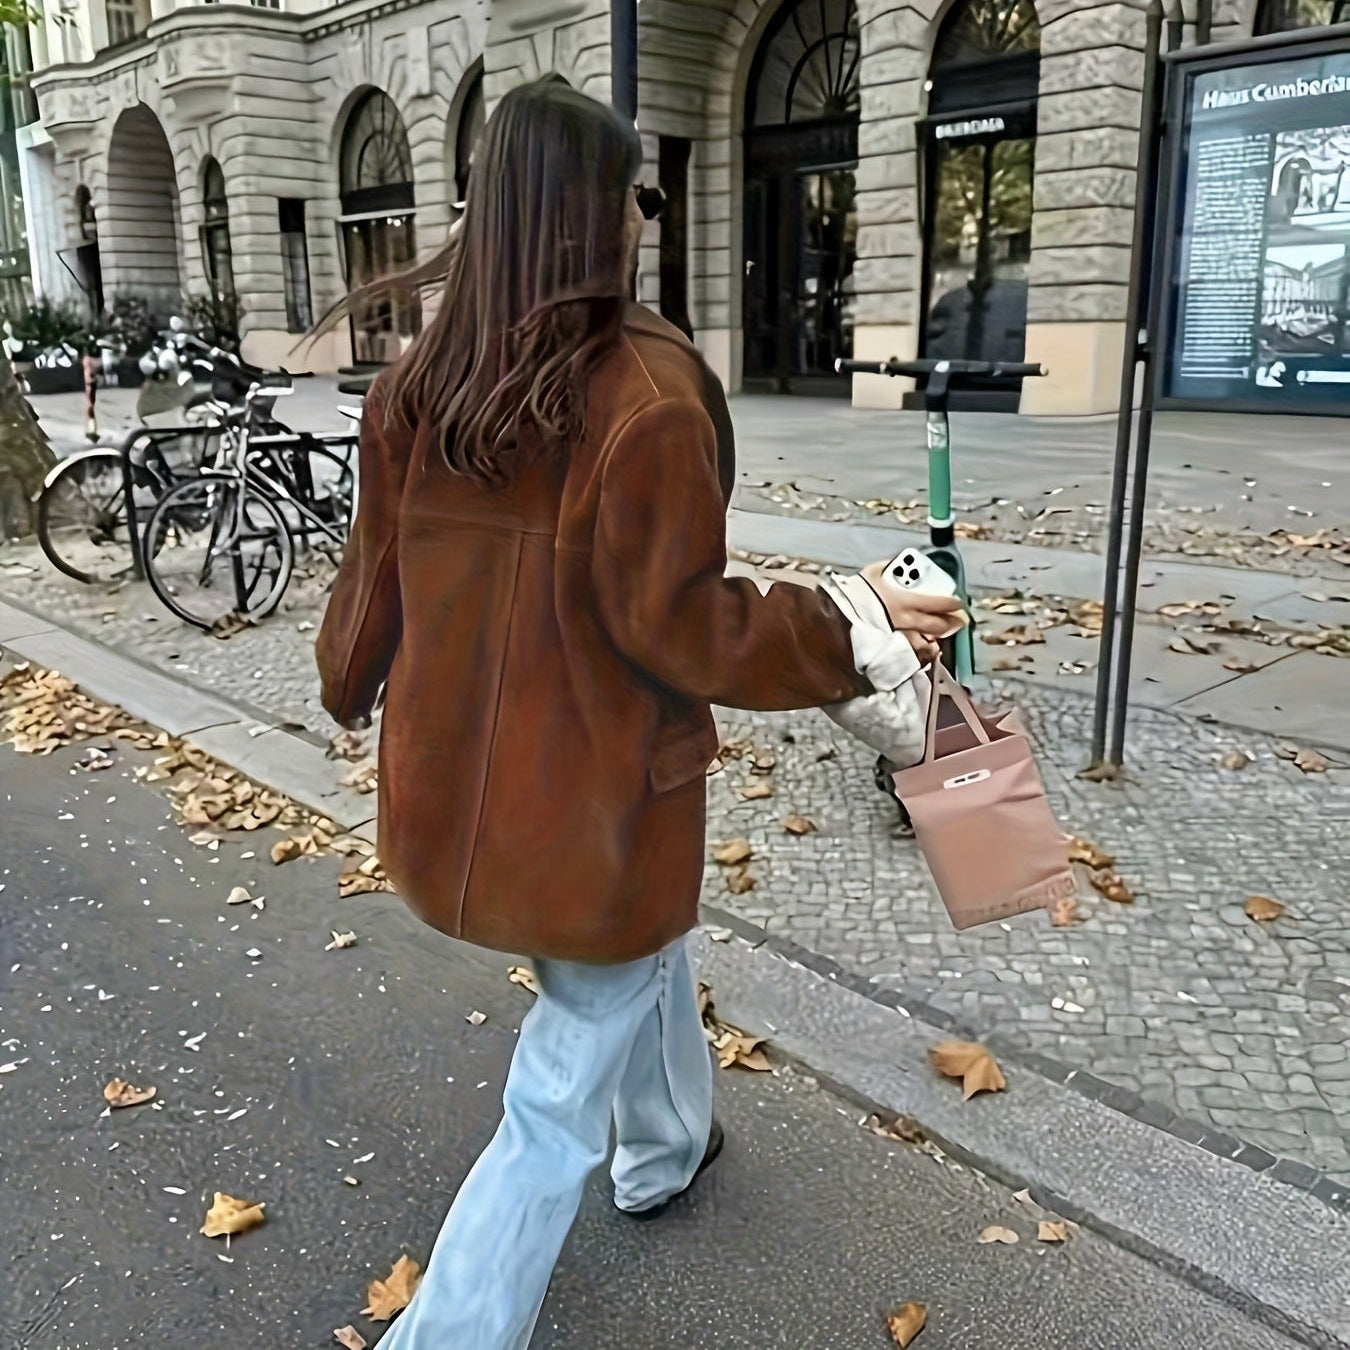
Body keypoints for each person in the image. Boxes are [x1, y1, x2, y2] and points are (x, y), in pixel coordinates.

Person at [315, 75, 963, 1350]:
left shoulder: (418, 382)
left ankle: (665, 1149)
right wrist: (856, 622)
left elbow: (372, 575)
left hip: (460, 781)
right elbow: (684, 624)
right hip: (595, 794)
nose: (640, 223)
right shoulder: (648, 392)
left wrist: (347, 681)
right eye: (635, 200)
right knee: (559, 1089)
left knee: (633, 959)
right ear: (599, 213)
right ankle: (448, 1335)